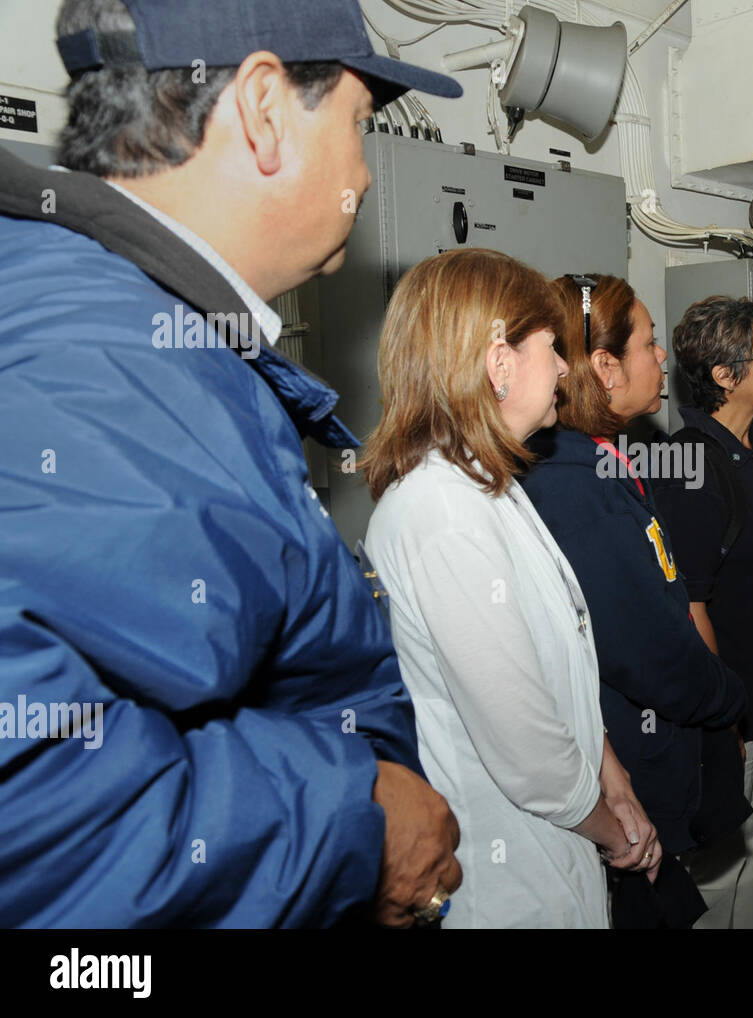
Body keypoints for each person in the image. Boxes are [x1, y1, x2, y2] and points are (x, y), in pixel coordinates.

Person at [0, 0, 465, 927]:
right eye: (359, 123)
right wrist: (358, 824)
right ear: (261, 108)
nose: (366, 175)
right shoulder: (114, 371)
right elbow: (40, 814)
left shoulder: (134, 335)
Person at [361, 251, 661, 929]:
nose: (563, 368)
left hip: (557, 847)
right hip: (510, 881)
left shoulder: (488, 486)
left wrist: (615, 782)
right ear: (499, 363)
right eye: (551, 347)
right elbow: (524, 746)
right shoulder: (441, 514)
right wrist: (615, 834)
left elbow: (559, 677)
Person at [519, 275, 749, 878]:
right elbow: (647, 650)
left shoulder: (597, 460)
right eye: (648, 342)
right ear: (606, 367)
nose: (661, 355)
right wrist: (727, 699)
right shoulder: (576, 484)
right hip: (636, 768)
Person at [654, 296, 753, 929]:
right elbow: (689, 606)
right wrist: (723, 721)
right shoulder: (694, 466)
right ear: (724, 376)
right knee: (719, 863)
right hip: (733, 712)